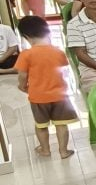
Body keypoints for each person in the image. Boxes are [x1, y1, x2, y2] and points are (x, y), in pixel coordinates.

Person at [14, 16, 78, 159]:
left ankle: (45, 150)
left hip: (38, 97)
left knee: (41, 125)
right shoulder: (58, 51)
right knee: (61, 125)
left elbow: (22, 76)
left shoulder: (26, 54)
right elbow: (64, 70)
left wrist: (22, 86)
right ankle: (63, 151)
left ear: (26, 36)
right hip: (60, 95)